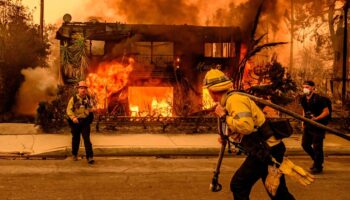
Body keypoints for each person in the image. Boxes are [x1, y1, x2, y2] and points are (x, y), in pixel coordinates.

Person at [203, 69, 313, 200]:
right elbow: (242, 125)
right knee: (277, 192)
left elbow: (246, 126)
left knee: (239, 185)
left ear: (211, 91)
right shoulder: (230, 100)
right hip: (267, 149)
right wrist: (228, 134)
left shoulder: (234, 100)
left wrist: (223, 117)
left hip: (266, 150)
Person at [300, 80, 330, 174]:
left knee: (317, 146)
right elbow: (304, 110)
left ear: (313, 88)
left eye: (307, 87)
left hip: (319, 125)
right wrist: (303, 121)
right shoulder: (303, 98)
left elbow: (326, 112)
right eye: (304, 87)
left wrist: (317, 118)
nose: (305, 89)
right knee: (305, 144)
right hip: (308, 124)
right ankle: (317, 161)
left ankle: (318, 166)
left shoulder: (319, 99)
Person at [66, 81, 95, 164]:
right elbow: (69, 110)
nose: (83, 90)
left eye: (84, 88)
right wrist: (73, 117)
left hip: (85, 121)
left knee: (87, 139)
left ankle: (89, 157)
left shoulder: (88, 99)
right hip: (76, 122)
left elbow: (90, 108)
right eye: (81, 88)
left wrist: (91, 109)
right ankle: (74, 154)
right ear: (78, 89)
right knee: (76, 139)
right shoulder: (74, 99)